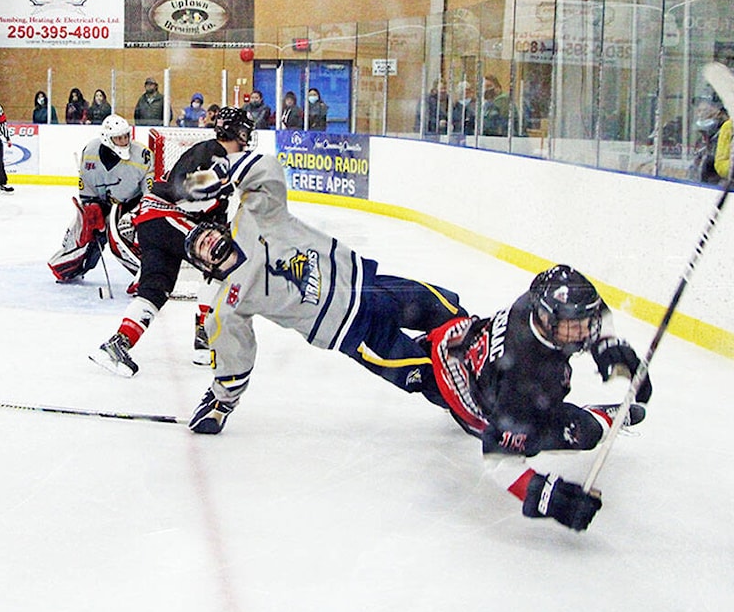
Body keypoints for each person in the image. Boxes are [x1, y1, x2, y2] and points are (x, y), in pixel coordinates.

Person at [181, 108, 468, 436]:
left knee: (450, 310)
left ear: (219, 230)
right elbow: (233, 350)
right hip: (353, 333)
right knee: (422, 375)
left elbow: (268, 170)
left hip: (366, 284)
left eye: (206, 236)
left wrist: (216, 174)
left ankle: (487, 355)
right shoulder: (229, 302)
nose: (208, 243)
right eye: (201, 249)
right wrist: (221, 402)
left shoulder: (254, 217)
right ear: (206, 266)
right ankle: (472, 402)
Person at [426, 264, 653, 531]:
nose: (584, 332)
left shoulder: (537, 307)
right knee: (577, 433)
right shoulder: (522, 378)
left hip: (460, 342)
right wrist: (545, 496)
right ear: (546, 319)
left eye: (585, 322)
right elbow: (498, 455)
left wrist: (606, 343)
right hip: (461, 393)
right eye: (574, 325)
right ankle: (600, 418)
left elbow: (596, 310)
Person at [89, 108, 239, 375]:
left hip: (155, 220)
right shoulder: (213, 152)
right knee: (221, 258)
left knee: (156, 288)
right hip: (164, 214)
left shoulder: (220, 158)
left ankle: (117, 345)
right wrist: (217, 183)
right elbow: (183, 188)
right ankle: (204, 336)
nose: (247, 138)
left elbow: (210, 209)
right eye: (244, 132)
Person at [48, 114, 153, 285]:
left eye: (126, 136)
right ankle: (72, 269)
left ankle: (149, 275)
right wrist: (91, 207)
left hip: (130, 204)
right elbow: (86, 184)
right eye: (119, 138)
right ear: (107, 138)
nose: (125, 141)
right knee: (87, 236)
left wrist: (139, 212)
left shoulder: (142, 155)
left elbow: (149, 190)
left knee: (118, 238)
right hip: (101, 202)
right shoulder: (90, 151)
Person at [689, 93, 727, 184]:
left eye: (704, 110)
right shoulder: (703, 136)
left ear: (718, 111)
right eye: (698, 110)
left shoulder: (725, 133)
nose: (700, 114)